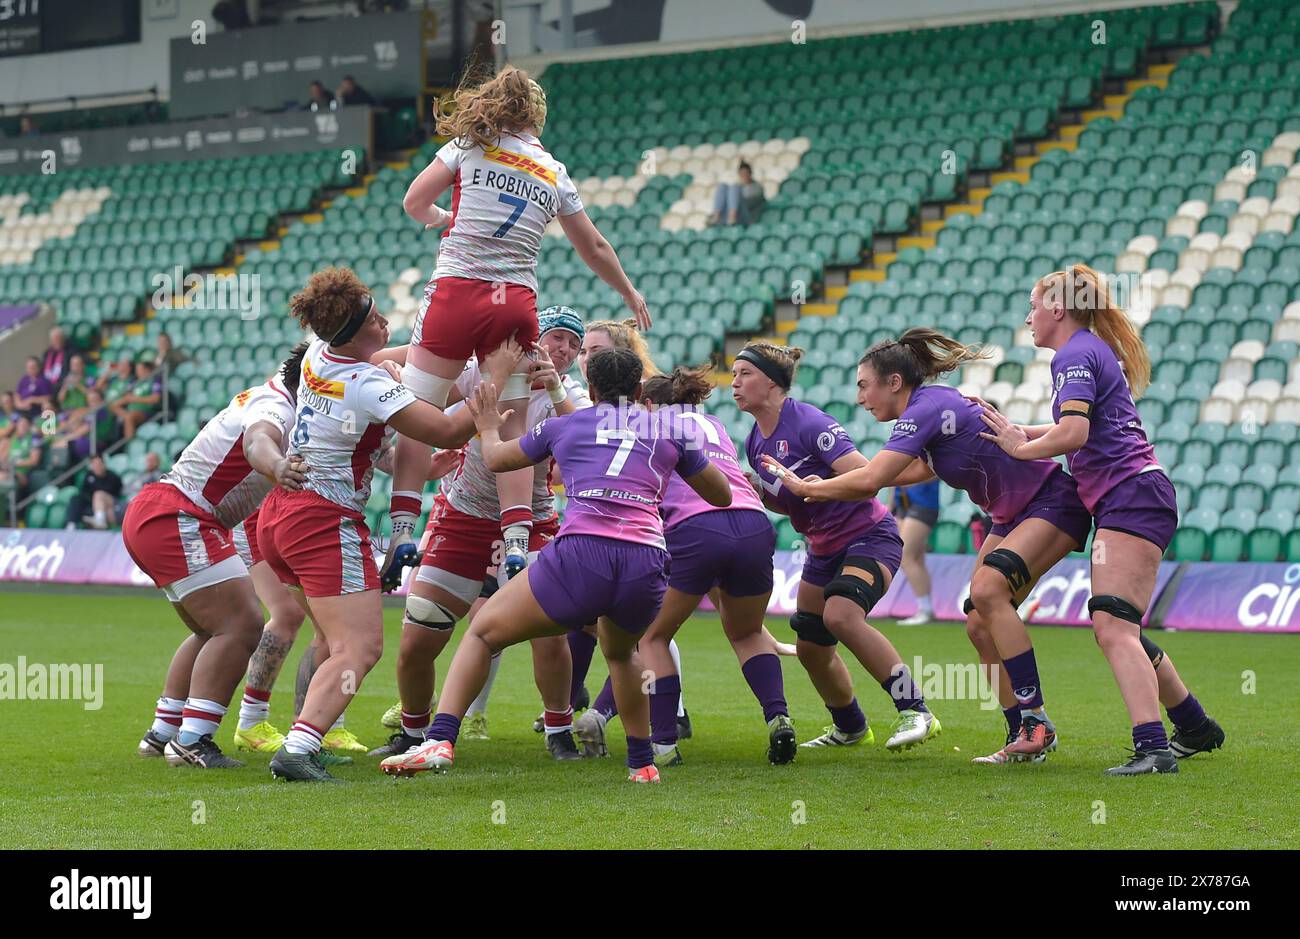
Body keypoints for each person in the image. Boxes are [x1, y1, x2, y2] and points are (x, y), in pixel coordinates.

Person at [379, 347, 732, 783]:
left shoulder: (565, 425)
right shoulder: (667, 431)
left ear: (594, 388)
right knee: (622, 654)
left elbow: (496, 459)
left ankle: (440, 740)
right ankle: (642, 764)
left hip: (582, 551)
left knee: (484, 631)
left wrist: (488, 426)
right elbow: (720, 495)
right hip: (646, 557)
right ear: (639, 389)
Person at [382, 65, 650, 595]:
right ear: (537, 114)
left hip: (456, 292)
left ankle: (400, 532)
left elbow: (413, 202)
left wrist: (444, 222)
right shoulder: (552, 169)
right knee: (509, 426)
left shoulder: (466, 146)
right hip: (515, 304)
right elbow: (593, 246)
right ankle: (518, 542)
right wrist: (627, 293)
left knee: (417, 415)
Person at [978, 263, 1225, 774]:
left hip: (1130, 495)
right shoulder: (1087, 350)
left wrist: (1020, 451)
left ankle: (1153, 748)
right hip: (1133, 495)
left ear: (1058, 308)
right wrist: (1020, 430)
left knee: (1113, 625)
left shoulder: (1072, 355)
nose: (1028, 317)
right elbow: (1075, 424)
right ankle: (1193, 725)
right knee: (1119, 623)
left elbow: (1074, 435)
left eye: (1033, 306)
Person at [256, 268, 488, 782]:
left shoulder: (320, 354)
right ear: (355, 331)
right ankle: (297, 748)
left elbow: (366, 422)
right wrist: (496, 384)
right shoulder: (365, 384)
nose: (385, 322)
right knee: (360, 647)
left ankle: (303, 734)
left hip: (281, 516)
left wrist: (440, 357)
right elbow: (446, 426)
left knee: (327, 639)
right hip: (322, 521)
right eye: (375, 318)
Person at [370, 309, 590, 761]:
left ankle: (559, 729)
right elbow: (402, 374)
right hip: (465, 516)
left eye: (573, 342)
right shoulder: (479, 373)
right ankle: (413, 731)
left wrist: (554, 388)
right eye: (555, 337)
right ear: (531, 342)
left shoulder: (571, 397)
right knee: (420, 632)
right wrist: (402, 376)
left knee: (548, 634)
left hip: (535, 522)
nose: (562, 348)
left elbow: (585, 447)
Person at [574, 363, 796, 767]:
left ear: (651, 403)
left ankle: (662, 744)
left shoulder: (651, 428)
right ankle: (778, 716)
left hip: (696, 526)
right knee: (746, 634)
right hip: (753, 523)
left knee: (653, 638)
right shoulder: (714, 425)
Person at [737, 341, 941, 752]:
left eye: (745, 374)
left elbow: (866, 478)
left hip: (869, 536)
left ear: (774, 385)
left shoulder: (810, 423)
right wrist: (755, 490)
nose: (734, 383)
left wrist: (820, 488)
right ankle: (850, 727)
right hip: (824, 549)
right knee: (811, 645)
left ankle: (917, 709)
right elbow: (788, 498)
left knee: (842, 616)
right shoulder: (754, 442)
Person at [125, 342, 309, 769]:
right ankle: (193, 740)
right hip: (181, 516)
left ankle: (164, 732)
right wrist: (278, 466)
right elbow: (258, 441)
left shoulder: (271, 397)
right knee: (241, 626)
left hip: (162, 513)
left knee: (213, 631)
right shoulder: (278, 405)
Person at [891, 478, 940, 625]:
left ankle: (925, 609)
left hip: (924, 504)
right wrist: (892, 506)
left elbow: (932, 474)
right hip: (903, 503)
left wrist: (908, 478)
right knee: (917, 559)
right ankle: (926, 608)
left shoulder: (926, 455)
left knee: (905, 556)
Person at [110, 360, 162, 440]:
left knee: (129, 417)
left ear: (147, 370)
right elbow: (127, 397)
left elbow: (155, 399)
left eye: (140, 370)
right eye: (137, 370)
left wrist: (135, 399)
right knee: (113, 407)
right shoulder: (134, 382)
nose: (138, 372)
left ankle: (129, 443)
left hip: (147, 411)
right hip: (131, 411)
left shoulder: (155, 380)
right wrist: (117, 403)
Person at [69, 455, 123, 529]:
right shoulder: (89, 475)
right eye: (94, 464)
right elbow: (83, 491)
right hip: (91, 503)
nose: (97, 467)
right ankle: (72, 524)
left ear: (104, 464)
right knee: (75, 498)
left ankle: (100, 521)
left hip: (108, 504)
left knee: (98, 494)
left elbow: (115, 493)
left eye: (98, 464)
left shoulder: (113, 477)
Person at [709, 161, 765, 226]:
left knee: (734, 187)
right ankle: (716, 217)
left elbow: (749, 203)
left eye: (746, 173)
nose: (744, 176)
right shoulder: (740, 186)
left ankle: (732, 217)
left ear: (750, 174)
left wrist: (738, 194)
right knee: (722, 186)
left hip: (746, 217)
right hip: (729, 216)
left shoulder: (757, 187)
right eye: (742, 174)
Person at [0, 415, 42, 496]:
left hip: (23, 474)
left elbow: (34, 461)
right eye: (20, 424)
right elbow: (3, 459)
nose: (22, 427)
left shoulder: (34, 438)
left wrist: (14, 463)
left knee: (2, 478)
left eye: (25, 424)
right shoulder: (12, 439)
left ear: (29, 426)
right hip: (9, 471)